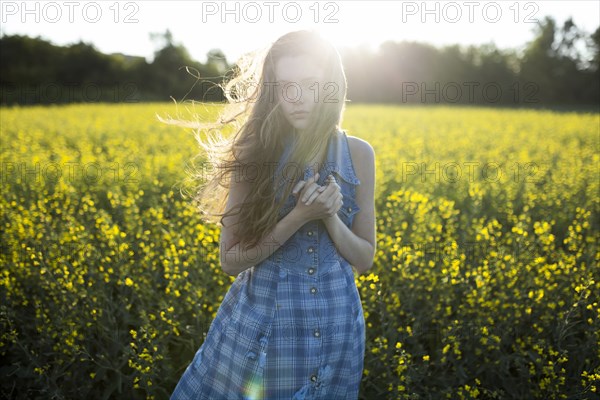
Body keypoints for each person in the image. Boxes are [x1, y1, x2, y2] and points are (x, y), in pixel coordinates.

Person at [169, 29, 376, 399]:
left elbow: (364, 258)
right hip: (265, 328)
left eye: (311, 85)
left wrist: (328, 215)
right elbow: (230, 261)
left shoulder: (359, 154)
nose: (298, 99)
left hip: (339, 327)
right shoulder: (255, 154)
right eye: (286, 87)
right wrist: (297, 216)